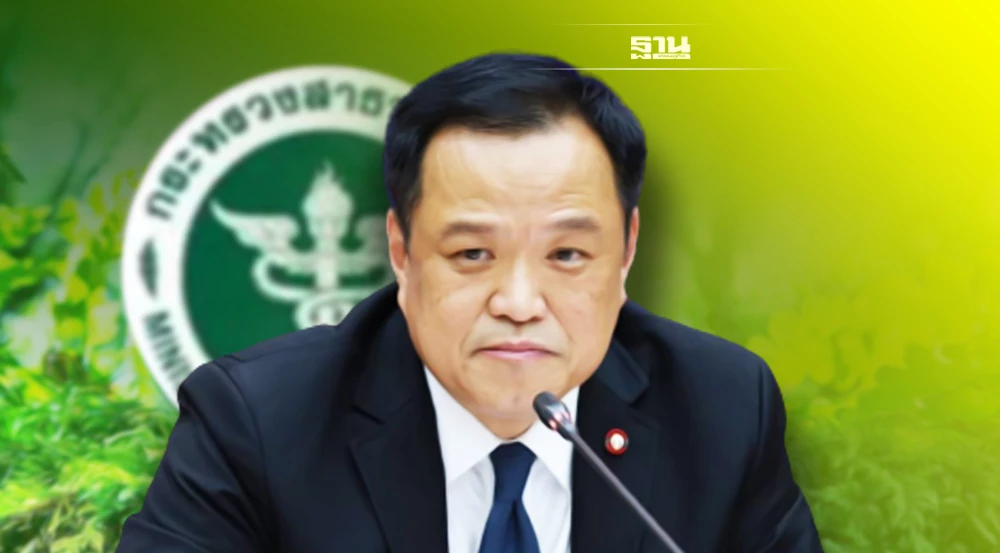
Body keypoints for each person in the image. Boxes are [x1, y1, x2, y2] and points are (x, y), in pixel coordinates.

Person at [115, 52, 823, 553]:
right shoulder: (258, 422)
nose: (518, 302)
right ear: (401, 251)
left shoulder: (723, 409)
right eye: (472, 254)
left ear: (627, 248)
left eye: (567, 255)